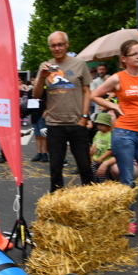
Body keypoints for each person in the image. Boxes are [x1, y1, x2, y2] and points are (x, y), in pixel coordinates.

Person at [91, 39, 138, 235]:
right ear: (124, 59)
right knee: (126, 179)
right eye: (134, 53)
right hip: (124, 134)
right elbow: (95, 95)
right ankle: (129, 221)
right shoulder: (117, 78)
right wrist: (112, 106)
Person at [33, 31, 94, 192]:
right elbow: (36, 95)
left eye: (60, 44)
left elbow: (87, 92)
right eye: (53, 45)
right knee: (55, 169)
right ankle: (58, 205)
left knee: (84, 166)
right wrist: (41, 77)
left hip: (77, 123)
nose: (57, 48)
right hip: (55, 124)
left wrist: (84, 117)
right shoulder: (44, 66)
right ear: (49, 47)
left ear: (67, 45)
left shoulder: (79, 63)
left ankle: (90, 203)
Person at [89, 112, 118, 182]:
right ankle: (95, 184)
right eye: (98, 124)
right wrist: (92, 148)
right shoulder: (98, 133)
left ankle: (103, 186)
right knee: (93, 173)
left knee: (102, 175)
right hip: (96, 158)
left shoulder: (110, 135)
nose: (99, 126)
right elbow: (95, 142)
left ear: (108, 125)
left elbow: (110, 149)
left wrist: (102, 157)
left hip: (105, 159)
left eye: (102, 124)